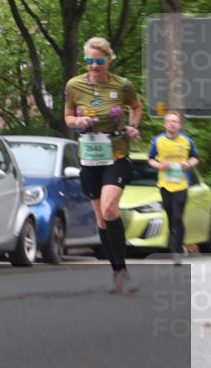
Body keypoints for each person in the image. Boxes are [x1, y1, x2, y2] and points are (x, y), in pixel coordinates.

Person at [64, 37, 143, 294]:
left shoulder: (123, 85)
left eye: (99, 61)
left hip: (116, 154)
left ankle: (122, 273)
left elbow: (136, 106)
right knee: (101, 220)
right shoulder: (74, 85)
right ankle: (118, 272)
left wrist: (134, 126)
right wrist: (78, 122)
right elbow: (67, 116)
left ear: (109, 59)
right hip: (90, 157)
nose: (94, 65)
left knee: (110, 209)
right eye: (89, 60)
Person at [147, 111, 199, 266]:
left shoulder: (187, 141)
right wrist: (160, 165)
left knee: (177, 217)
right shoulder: (158, 141)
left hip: (181, 185)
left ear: (179, 124)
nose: (172, 124)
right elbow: (150, 159)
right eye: (169, 121)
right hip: (164, 184)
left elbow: (195, 158)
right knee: (171, 217)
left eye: (175, 121)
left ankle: (176, 251)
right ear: (165, 124)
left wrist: (188, 164)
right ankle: (175, 245)